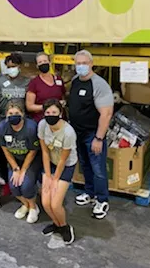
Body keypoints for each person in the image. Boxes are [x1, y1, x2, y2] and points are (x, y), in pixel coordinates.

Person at [68, 50, 114, 220]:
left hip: (92, 134)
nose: (80, 66)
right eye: (78, 63)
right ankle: (90, 192)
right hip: (77, 133)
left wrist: (99, 138)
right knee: (85, 165)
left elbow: (106, 113)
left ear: (91, 64)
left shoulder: (99, 85)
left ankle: (102, 200)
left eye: (84, 63)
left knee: (98, 169)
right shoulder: (75, 81)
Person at [0, 100, 42, 223]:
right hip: (14, 160)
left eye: (16, 112)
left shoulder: (31, 127)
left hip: (31, 160)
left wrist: (23, 170)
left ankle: (33, 207)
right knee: (14, 186)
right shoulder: (2, 127)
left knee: (26, 185)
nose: (13, 115)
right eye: (10, 113)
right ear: (6, 115)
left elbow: (33, 151)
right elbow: (5, 150)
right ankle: (26, 204)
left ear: (22, 114)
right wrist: (16, 168)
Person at [39, 99, 77, 244]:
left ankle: (65, 227)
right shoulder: (43, 125)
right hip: (50, 162)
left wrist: (55, 180)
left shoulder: (68, 132)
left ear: (60, 113)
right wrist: (48, 176)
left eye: (54, 112)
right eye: (47, 112)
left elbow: (63, 159)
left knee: (55, 203)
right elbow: (44, 152)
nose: (50, 115)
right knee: (45, 202)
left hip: (65, 164)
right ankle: (57, 224)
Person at [26, 52, 66, 123]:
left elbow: (63, 97)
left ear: (50, 62)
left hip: (59, 120)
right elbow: (29, 106)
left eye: (45, 61)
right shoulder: (34, 83)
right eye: (40, 62)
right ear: (37, 66)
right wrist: (48, 107)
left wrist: (62, 103)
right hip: (41, 120)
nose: (43, 63)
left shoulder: (59, 80)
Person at [0, 53, 30, 118]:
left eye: (13, 66)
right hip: (4, 117)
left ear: (20, 66)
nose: (11, 69)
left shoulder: (27, 81)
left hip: (22, 117)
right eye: (9, 67)